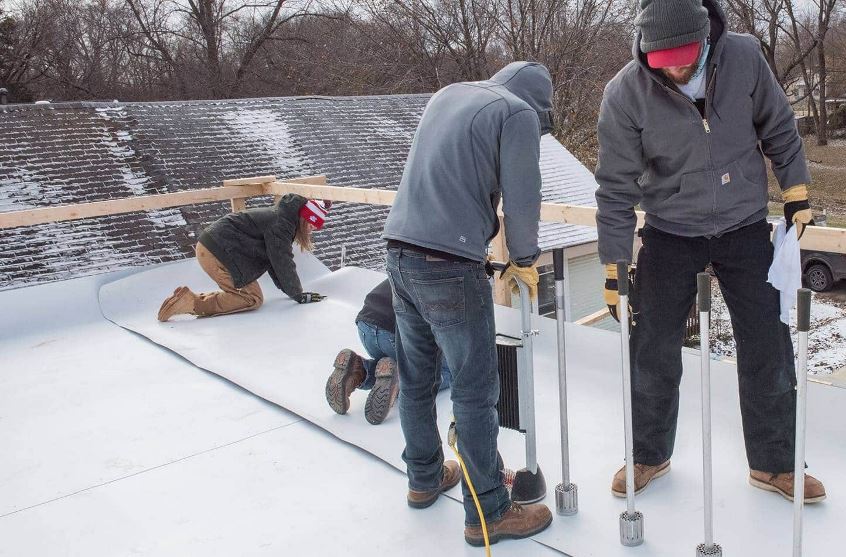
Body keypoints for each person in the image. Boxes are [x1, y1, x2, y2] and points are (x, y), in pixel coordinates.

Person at [594, 0, 827, 504]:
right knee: (652, 346)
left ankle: (776, 464)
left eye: (684, 56)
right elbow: (615, 189)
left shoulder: (744, 58)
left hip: (743, 224)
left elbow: (780, 129)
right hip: (670, 230)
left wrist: (796, 191)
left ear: (706, 37)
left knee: (768, 342)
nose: (676, 69)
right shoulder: (625, 92)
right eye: (663, 61)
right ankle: (647, 453)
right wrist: (615, 266)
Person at [381, 61, 554, 545]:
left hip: (399, 251)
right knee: (475, 390)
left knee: (416, 377)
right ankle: (490, 513)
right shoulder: (517, 113)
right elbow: (524, 196)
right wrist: (523, 257)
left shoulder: (448, 93)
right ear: (538, 104)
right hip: (449, 263)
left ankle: (424, 478)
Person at [158, 194, 328, 321]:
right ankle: (191, 303)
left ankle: (187, 298)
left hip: (216, 247)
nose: (311, 230)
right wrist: (298, 294)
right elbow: (282, 260)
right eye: (312, 224)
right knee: (251, 298)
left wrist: (291, 292)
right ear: (305, 219)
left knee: (250, 295)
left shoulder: (282, 219)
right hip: (216, 252)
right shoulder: (281, 226)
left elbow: (274, 261)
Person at [325, 279, 454, 425]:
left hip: (366, 326)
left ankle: (359, 369)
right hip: (397, 335)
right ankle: (400, 377)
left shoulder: (411, 260)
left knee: (391, 362)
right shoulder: (458, 279)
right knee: (451, 369)